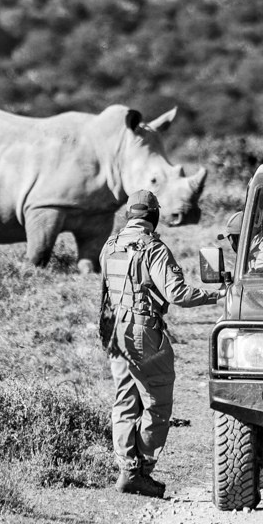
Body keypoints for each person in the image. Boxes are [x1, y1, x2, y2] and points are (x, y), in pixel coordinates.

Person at [98, 190, 220, 498]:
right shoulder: (153, 248)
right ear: (154, 217)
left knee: (125, 401)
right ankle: (143, 471)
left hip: (116, 332)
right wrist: (217, 295)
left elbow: (105, 294)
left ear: (128, 216)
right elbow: (177, 294)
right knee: (157, 402)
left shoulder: (109, 246)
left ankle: (127, 469)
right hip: (142, 331)